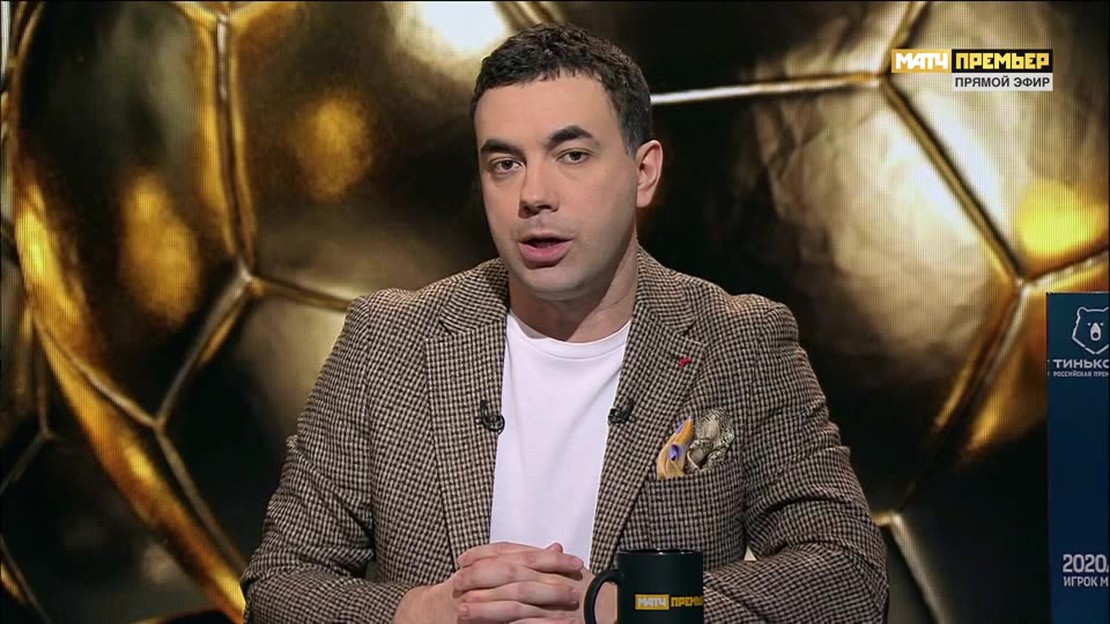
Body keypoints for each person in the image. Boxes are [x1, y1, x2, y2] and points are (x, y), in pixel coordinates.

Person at [241, 22, 888, 623]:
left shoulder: (740, 345)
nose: (534, 195)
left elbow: (847, 576)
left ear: (644, 172)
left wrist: (622, 606)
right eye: (505, 164)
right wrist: (422, 613)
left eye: (572, 155)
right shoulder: (389, 343)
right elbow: (279, 584)